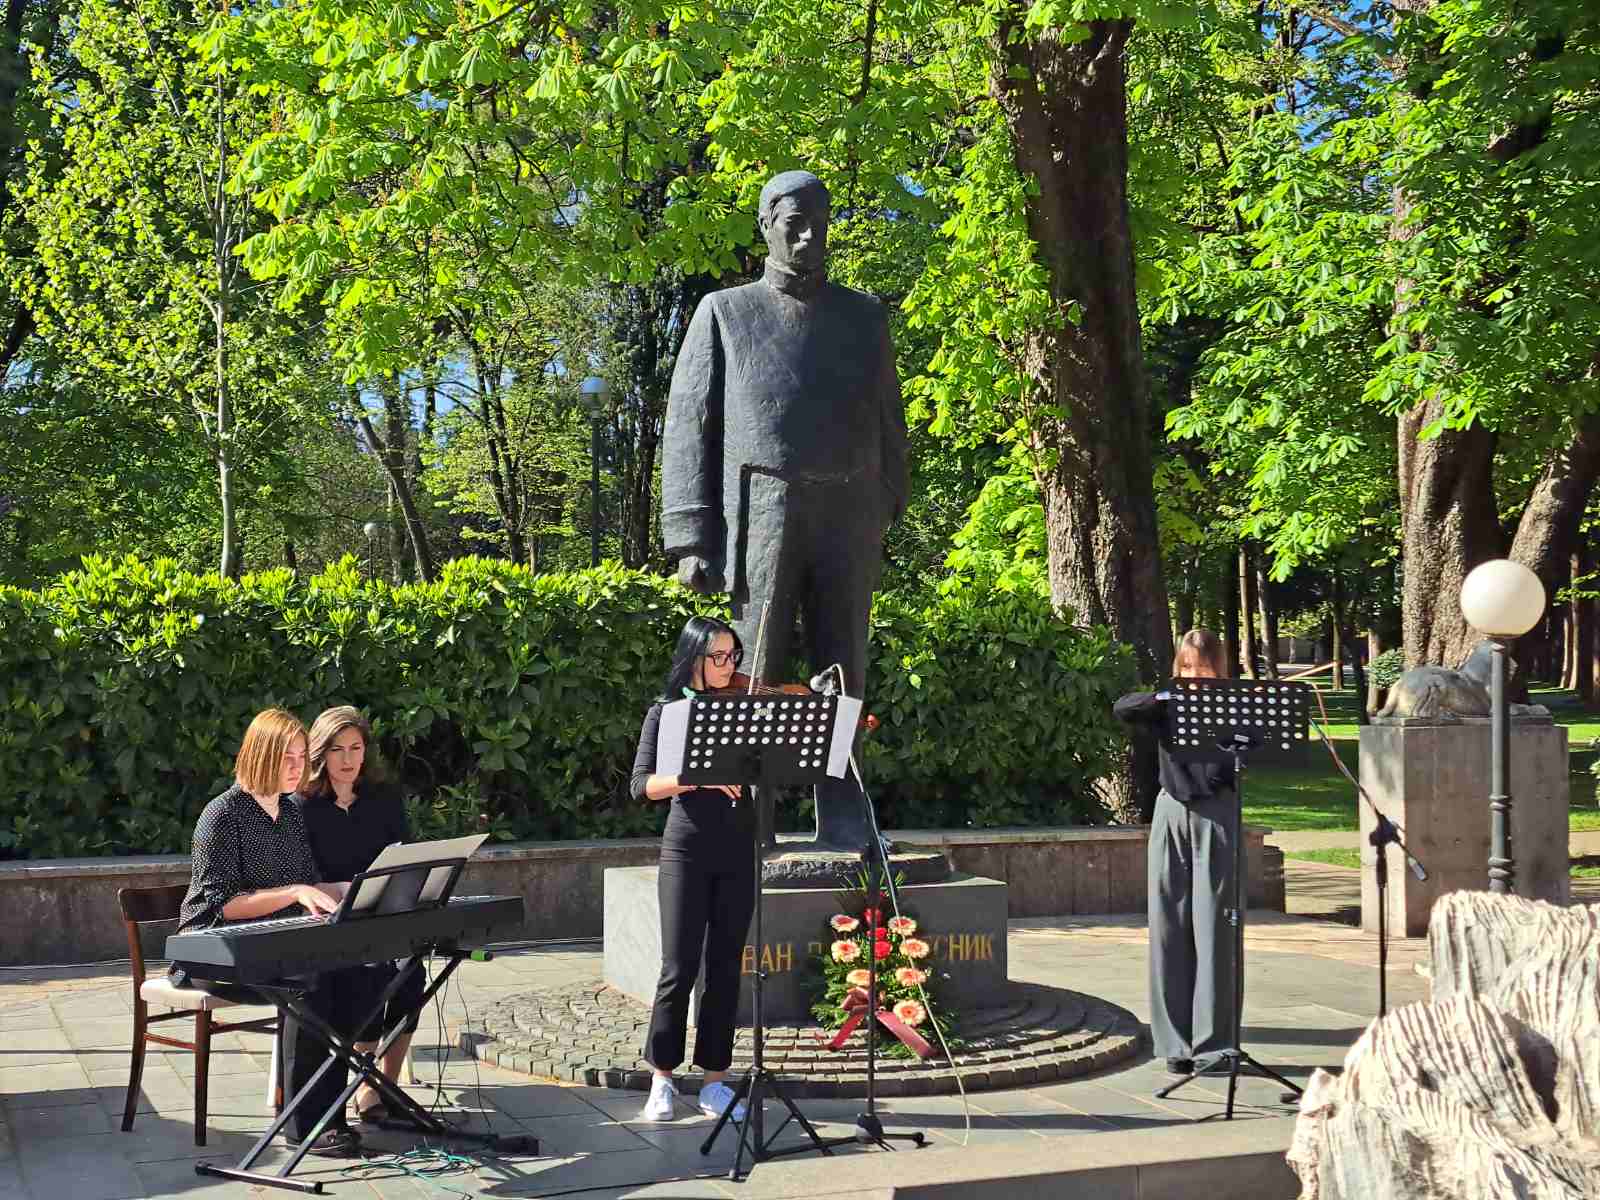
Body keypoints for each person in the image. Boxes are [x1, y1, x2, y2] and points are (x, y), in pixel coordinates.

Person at [660, 168, 909, 852]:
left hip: (849, 508)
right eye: (793, 224)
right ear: (766, 227)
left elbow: (889, 418)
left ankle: (847, 815)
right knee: (754, 669)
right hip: (760, 508)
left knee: (844, 664)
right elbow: (689, 424)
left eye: (817, 225)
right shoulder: (725, 311)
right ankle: (753, 818)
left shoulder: (864, 316)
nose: (806, 237)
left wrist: (888, 501)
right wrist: (690, 535)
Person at [174, 708, 362, 1157]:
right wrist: (294, 892)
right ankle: (303, 1126)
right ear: (261, 756)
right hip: (213, 950)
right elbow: (223, 905)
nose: (299, 768)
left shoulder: (290, 813)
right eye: (288, 758)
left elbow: (307, 885)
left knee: (352, 975)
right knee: (309, 983)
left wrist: (355, 888)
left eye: (301, 757)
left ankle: (331, 1114)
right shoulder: (222, 814)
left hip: (275, 943)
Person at [630, 616, 754, 1122]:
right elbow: (641, 785)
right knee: (678, 966)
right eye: (718, 656)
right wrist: (695, 775)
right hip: (687, 849)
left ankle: (714, 1082)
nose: (728, 665)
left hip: (738, 848)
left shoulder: (746, 709)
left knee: (725, 967)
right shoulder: (666, 712)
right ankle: (661, 1078)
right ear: (694, 657)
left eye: (733, 656)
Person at [1113, 629, 1238, 1077]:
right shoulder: (1166, 705)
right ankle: (1174, 1043)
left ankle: (1215, 1044)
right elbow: (1124, 708)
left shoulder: (1234, 707)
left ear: (1217, 668)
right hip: (1170, 810)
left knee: (1215, 928)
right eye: (1186, 666)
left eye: (1202, 667)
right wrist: (1165, 696)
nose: (1194, 675)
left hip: (1216, 813)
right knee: (1168, 925)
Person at [296, 706, 426, 1126]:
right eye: (337, 749)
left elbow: (406, 859)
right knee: (367, 974)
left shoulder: (383, 799)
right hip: (331, 925)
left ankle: (382, 1086)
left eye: (355, 748)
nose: (348, 759)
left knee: (411, 971)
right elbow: (303, 879)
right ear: (321, 753)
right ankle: (363, 1084)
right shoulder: (302, 807)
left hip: (384, 916)